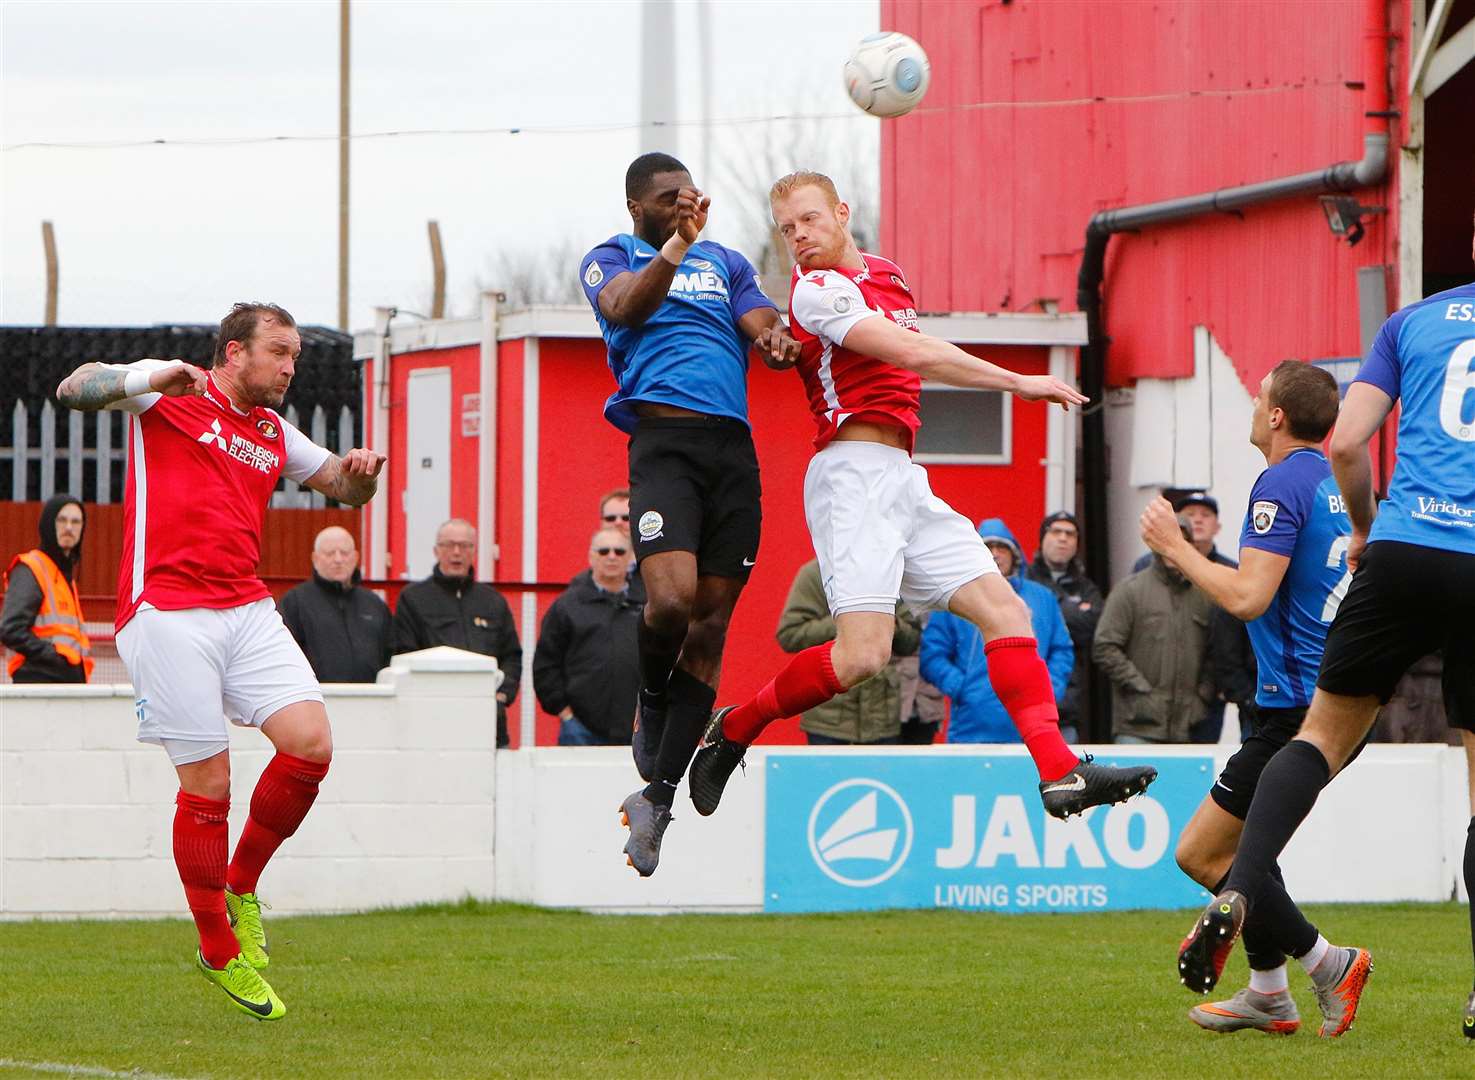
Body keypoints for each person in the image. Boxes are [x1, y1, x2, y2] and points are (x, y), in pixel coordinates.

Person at [687, 169, 1156, 832]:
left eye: (809, 220)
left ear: (842, 213)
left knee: (1007, 609)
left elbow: (908, 353)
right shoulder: (816, 289)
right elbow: (910, 350)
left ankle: (1058, 770)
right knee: (862, 656)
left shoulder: (887, 274)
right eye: (786, 229)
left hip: (904, 477)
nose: (798, 238)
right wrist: (1015, 382)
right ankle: (735, 726)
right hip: (850, 476)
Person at [53, 301, 386, 1021]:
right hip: (168, 612)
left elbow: (344, 489)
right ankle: (216, 948)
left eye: (295, 354)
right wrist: (149, 373)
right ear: (234, 353)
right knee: (211, 781)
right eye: (280, 352)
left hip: (245, 608)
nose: (291, 367)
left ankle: (241, 886)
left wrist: (362, 475)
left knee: (311, 746)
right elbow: (72, 388)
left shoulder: (269, 430)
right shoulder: (173, 392)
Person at [1177, 255, 1475, 1038]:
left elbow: (1349, 444)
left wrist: (1370, 527)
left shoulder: (1410, 322)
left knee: (1312, 742)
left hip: (1403, 551)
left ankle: (1270, 924)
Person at [579, 151, 801, 876]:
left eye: (691, 194)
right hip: (664, 442)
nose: (685, 204)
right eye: (669, 197)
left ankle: (658, 801)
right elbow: (626, 308)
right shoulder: (613, 257)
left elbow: (758, 315)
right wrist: (673, 244)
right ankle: (651, 696)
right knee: (669, 603)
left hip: (730, 452)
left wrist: (771, 336)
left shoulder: (727, 261)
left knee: (710, 626)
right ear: (638, 206)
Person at [1141, 360, 1367, 1037]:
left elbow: (1247, 597)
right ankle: (1267, 991)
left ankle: (1328, 963)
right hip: (1327, 696)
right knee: (1246, 855)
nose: (1251, 404)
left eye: (1258, 395)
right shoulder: (1336, 482)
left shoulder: (1279, 483)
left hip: (1298, 710)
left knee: (1201, 855)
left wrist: (1173, 548)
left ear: (1274, 415)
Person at [922, 519, 1073, 744]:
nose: (995, 554)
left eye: (1001, 548)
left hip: (1033, 728)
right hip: (970, 729)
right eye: (987, 548)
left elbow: (1062, 650)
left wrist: (1050, 689)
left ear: (1015, 555)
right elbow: (931, 655)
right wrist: (961, 688)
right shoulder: (955, 599)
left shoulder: (1043, 597)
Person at [1133, 493, 1255, 744]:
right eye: (1190, 514)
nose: (1197, 521)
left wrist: (1235, 688)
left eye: (1206, 515)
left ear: (1217, 525)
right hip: (1156, 696)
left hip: (1211, 693)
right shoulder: (1146, 569)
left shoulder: (1231, 572)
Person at [393, 518, 521, 747]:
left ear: (474, 551)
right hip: (432, 720)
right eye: (448, 545)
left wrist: (502, 696)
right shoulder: (413, 599)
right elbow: (404, 654)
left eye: (465, 546)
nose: (456, 552)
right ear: (436, 551)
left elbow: (512, 655)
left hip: (489, 722)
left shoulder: (493, 601)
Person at [1092, 520, 1214, 744]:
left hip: (1187, 729)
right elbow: (1105, 646)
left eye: (1181, 540)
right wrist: (1140, 688)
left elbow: (1215, 654)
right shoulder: (1129, 591)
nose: (1172, 547)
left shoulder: (1203, 596)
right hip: (1137, 727)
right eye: (1165, 539)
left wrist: (1202, 697)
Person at [775, 558, 921, 745]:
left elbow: (911, 642)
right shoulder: (816, 574)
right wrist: (848, 619)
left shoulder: (889, 573)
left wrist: (890, 622)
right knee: (827, 775)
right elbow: (790, 635)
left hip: (882, 716)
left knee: (879, 775)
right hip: (827, 716)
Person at [534, 526, 644, 746]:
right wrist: (566, 715)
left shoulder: (648, 606)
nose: (611, 557)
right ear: (591, 557)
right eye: (603, 551)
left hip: (639, 730)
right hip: (580, 731)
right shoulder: (567, 606)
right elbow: (546, 665)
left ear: (630, 557)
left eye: (619, 551)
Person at [278, 526, 392, 684]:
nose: (338, 560)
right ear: (315, 558)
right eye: (330, 553)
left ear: (355, 557)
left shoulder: (374, 605)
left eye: (344, 553)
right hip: (317, 700)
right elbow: (283, 658)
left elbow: (390, 655)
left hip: (371, 699)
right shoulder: (295, 603)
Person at [1025, 511, 1103, 742]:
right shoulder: (1024, 581)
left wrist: (1048, 611)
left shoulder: (1088, 588)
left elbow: (1091, 629)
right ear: (1042, 539)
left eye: (1070, 534)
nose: (1063, 538)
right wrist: (1070, 608)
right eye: (1056, 531)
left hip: (1067, 706)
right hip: (1024, 702)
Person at [2, 494, 93, 683]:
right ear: (48, 524)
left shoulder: (64, 577)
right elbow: (10, 629)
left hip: (64, 687)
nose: (69, 527)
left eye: (76, 521)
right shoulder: (32, 568)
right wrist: (54, 657)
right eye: (62, 520)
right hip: (39, 685)